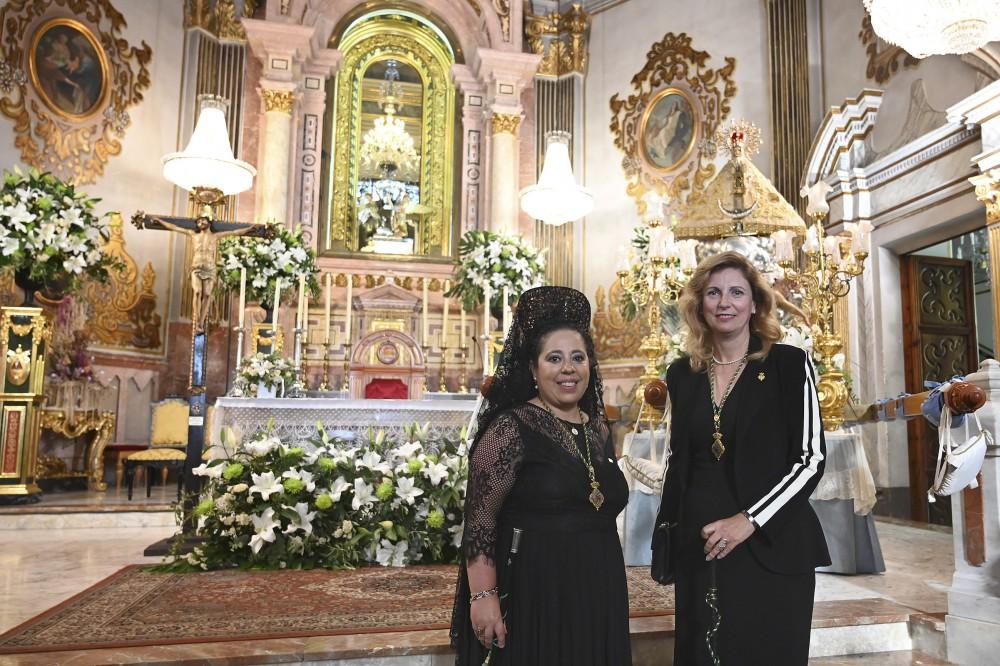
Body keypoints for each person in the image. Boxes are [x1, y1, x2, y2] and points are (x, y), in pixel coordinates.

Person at [654, 251, 830, 665]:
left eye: (736, 292)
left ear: (755, 304)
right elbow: (680, 462)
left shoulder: (788, 364)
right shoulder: (682, 374)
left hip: (770, 544)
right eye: (713, 293)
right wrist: (669, 539)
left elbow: (810, 459)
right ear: (700, 304)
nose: (724, 302)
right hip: (701, 546)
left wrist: (749, 520)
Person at [451, 286, 632, 666]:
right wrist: (483, 597)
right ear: (533, 369)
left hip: (599, 587)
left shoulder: (598, 428)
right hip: (536, 591)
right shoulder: (509, 429)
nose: (568, 369)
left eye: (578, 357)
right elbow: (480, 522)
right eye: (554, 358)